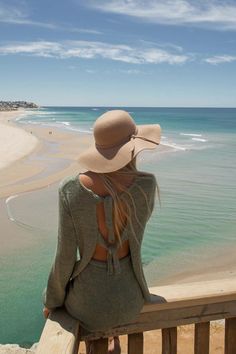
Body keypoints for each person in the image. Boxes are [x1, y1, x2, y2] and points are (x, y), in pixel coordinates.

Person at [43, 110, 161, 354]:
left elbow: (65, 256)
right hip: (130, 299)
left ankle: (101, 342)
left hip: (87, 303)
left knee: (89, 320)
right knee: (111, 315)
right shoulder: (147, 186)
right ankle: (114, 340)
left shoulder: (70, 189)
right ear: (133, 148)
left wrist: (51, 301)